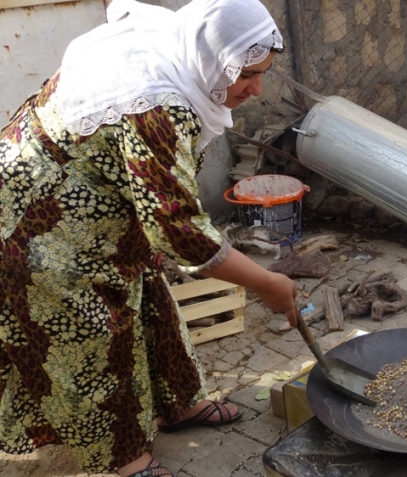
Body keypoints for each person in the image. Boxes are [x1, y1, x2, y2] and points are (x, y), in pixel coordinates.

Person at [0, 1, 299, 476]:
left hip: (102, 206)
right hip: (40, 219)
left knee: (152, 300)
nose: (256, 89)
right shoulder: (157, 104)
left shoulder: (180, 44)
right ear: (215, 59)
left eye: (263, 73)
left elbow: (163, 214)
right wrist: (265, 282)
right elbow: (179, 230)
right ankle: (123, 458)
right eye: (247, 74)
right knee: (90, 336)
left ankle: (177, 404)